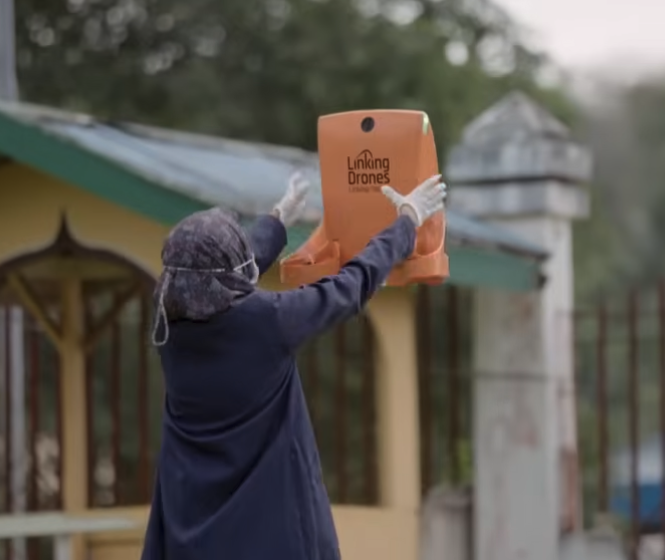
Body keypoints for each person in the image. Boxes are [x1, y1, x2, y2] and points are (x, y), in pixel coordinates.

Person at [140, 172, 448, 560]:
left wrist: (278, 219)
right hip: (270, 533)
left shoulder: (169, 327)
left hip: (192, 535)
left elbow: (217, 273)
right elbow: (349, 286)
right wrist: (406, 222)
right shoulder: (267, 323)